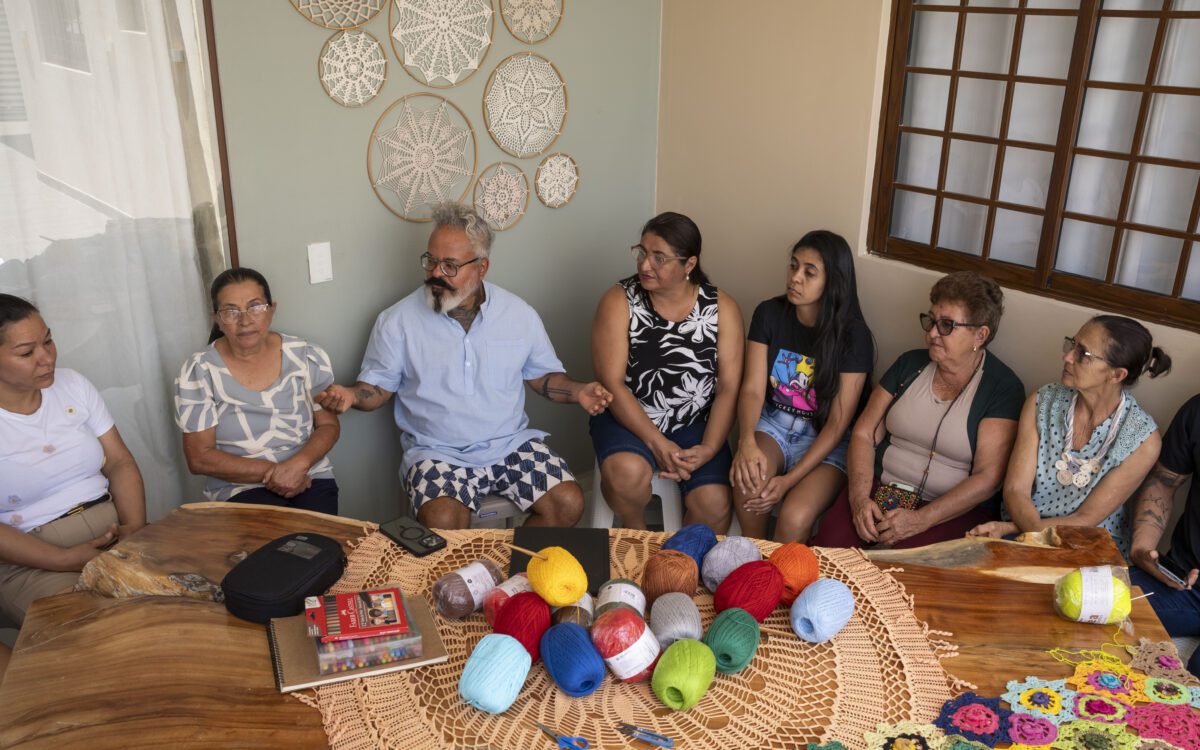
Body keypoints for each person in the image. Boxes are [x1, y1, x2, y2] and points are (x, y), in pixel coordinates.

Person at [317, 203, 611, 530]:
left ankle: (513, 576)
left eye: (450, 265)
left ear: (482, 267)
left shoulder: (518, 314)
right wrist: (351, 395)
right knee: (443, 519)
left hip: (509, 444)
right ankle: (468, 580)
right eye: (431, 261)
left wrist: (579, 391)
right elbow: (378, 388)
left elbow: (542, 377)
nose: (436, 273)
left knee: (568, 502)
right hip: (437, 452)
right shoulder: (397, 321)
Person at [811, 271, 1024, 548]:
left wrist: (922, 519)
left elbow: (988, 478)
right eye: (931, 321)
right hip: (878, 490)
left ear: (980, 334)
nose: (932, 333)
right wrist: (859, 499)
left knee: (902, 576)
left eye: (947, 325)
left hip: (946, 511)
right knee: (827, 554)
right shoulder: (909, 364)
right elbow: (864, 433)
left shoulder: (1002, 388)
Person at [590, 212, 744, 532]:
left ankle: (679, 561)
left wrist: (710, 448)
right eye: (642, 252)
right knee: (626, 474)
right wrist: (657, 442)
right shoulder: (619, 301)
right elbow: (612, 384)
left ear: (689, 265)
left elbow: (729, 387)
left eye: (659, 257)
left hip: (694, 422)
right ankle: (638, 537)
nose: (645, 265)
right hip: (628, 417)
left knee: (714, 504)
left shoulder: (722, 309)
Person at [0, 294, 147, 628]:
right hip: (31, 558)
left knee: (194, 600)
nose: (47, 358)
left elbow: (119, 462)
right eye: (27, 352)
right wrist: (64, 558)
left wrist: (136, 529)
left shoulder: (72, 385)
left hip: (115, 532)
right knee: (102, 628)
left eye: (48, 341)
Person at [970, 316, 1168, 552]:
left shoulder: (1143, 440)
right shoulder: (1043, 402)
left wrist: (1015, 530)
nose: (1067, 357)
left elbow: (1086, 518)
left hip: (1087, 547)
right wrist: (1028, 535)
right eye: (1072, 344)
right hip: (1021, 530)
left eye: (1083, 354)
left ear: (1116, 375)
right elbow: (1015, 490)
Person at [731, 230, 873, 542]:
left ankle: (782, 583)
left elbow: (838, 423)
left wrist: (789, 481)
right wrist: (746, 442)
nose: (795, 278)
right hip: (775, 425)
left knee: (794, 517)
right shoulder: (769, 313)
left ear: (832, 282)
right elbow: (753, 389)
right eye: (793, 266)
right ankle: (751, 560)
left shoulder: (854, 336)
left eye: (809, 272)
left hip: (828, 441)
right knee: (748, 483)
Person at [175, 268, 341, 514]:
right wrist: (277, 473)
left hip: (309, 475)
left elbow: (328, 426)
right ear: (217, 319)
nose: (245, 320)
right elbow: (199, 457)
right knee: (272, 549)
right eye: (231, 311)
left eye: (255, 307)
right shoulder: (199, 370)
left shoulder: (306, 355)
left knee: (321, 547)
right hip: (238, 487)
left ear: (271, 309)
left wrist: (299, 465)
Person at [1128, 394, 1200, 678]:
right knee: (1089, 602)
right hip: (1181, 582)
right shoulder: (1196, 409)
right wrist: (1142, 548)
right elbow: (1163, 483)